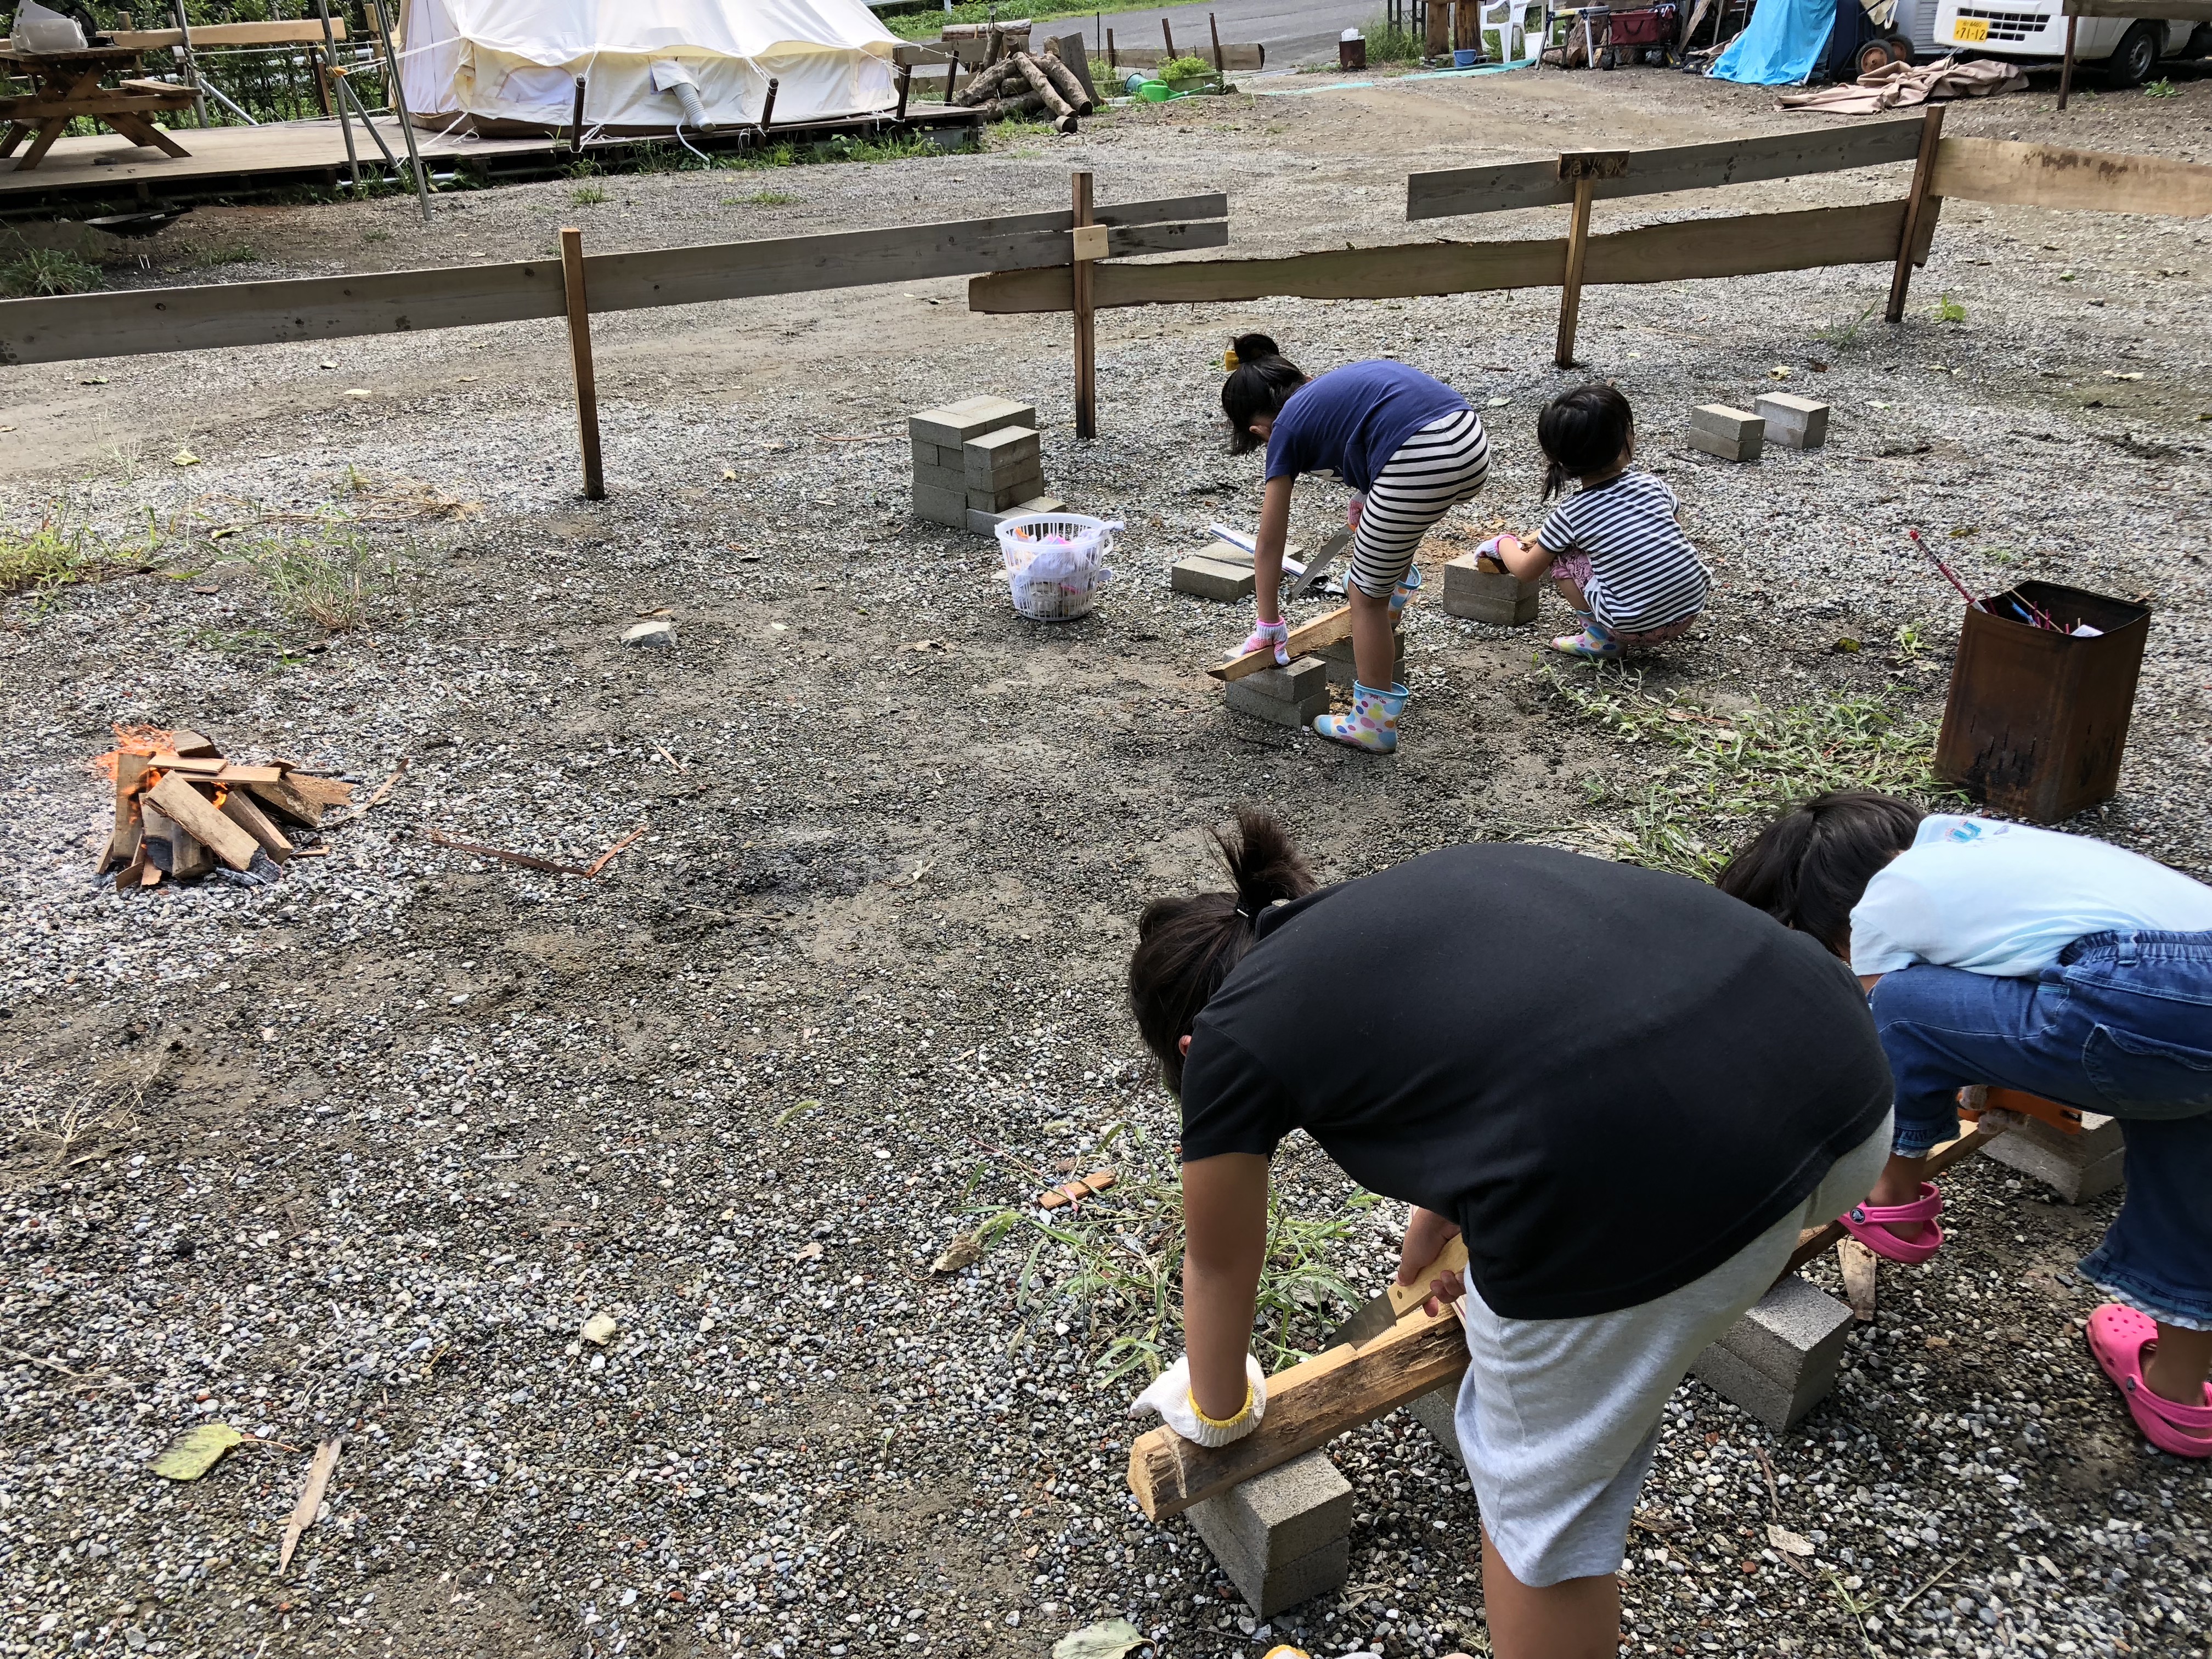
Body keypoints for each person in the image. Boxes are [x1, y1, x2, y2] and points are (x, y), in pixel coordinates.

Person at [1125, 811, 1895, 1659]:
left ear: (1190, 1050)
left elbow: (1221, 1259)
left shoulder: (1228, 1040)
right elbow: (1525, 1037)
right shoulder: (1411, 894)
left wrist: (1219, 1410)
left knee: (1539, 1514)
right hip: (1852, 1101)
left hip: (1687, 1190)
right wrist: (1446, 1215)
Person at [1718, 793, 2212, 1458]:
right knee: (2189, 1166)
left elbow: (1882, 1027)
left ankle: (1890, 1195)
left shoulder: (1886, 898)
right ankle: (2178, 1394)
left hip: (2153, 993)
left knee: (1900, 1002)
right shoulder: (2002, 857)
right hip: (2182, 1005)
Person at [1220, 334, 1489, 754]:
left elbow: (1271, 542)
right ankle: (1394, 599)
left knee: (1363, 594)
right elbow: (1379, 427)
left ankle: (1372, 725)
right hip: (1469, 442)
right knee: (1391, 535)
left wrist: (1268, 624)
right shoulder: (1329, 390)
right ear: (1303, 379)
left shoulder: (1285, 428)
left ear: (1261, 431)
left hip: (1420, 457)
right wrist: (1367, 495)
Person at [1477, 383, 1709, 662]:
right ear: (1625, 439)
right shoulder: (1652, 485)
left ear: (1556, 457)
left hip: (1635, 628)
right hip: (1692, 606)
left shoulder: (1571, 514)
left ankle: (1601, 640)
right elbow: (1669, 530)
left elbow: (1527, 570)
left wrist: (1503, 543)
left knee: (1562, 555)